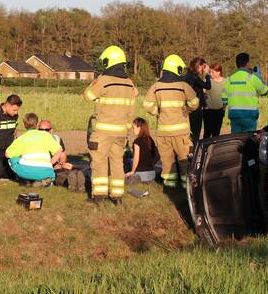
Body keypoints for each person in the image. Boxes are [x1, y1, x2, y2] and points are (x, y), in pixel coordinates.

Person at [84, 45, 138, 205]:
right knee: (117, 163)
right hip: (121, 132)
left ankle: (99, 197)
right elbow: (131, 110)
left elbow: (87, 96)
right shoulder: (129, 83)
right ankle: (117, 196)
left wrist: (95, 81)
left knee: (99, 162)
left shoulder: (104, 80)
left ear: (109, 61)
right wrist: (126, 130)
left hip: (103, 131)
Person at [143, 54, 200, 189]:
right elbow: (195, 102)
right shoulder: (183, 86)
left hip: (163, 132)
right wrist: (186, 110)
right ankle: (186, 185)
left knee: (167, 161)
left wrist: (157, 112)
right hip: (181, 132)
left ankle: (170, 184)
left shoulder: (156, 86)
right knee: (183, 159)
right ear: (177, 69)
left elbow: (146, 104)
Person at [5, 112, 63, 185]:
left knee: (12, 159)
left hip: (25, 171)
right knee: (48, 174)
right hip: (46, 171)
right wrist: (50, 163)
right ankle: (44, 180)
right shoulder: (45, 135)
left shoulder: (21, 138)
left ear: (24, 125)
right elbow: (59, 151)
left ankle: (26, 179)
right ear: (37, 124)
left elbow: (7, 154)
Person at [224, 52, 268, 133]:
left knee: (236, 139)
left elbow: (224, 99)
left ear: (236, 64)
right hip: (249, 115)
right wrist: (260, 77)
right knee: (249, 138)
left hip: (235, 115)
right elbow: (265, 92)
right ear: (247, 63)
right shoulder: (252, 78)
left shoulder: (229, 79)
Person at [184, 57, 211, 141]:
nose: (203, 69)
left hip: (188, 107)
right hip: (196, 108)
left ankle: (191, 146)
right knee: (195, 132)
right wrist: (207, 74)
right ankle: (194, 147)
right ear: (199, 66)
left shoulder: (187, 75)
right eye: (203, 67)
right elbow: (208, 86)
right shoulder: (194, 77)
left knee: (190, 131)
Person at [125, 117, 157, 184]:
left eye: (133, 128)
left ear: (139, 127)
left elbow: (136, 159)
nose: (133, 130)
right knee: (130, 160)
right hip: (152, 174)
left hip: (141, 175)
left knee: (127, 160)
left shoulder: (137, 142)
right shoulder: (151, 140)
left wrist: (132, 172)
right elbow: (156, 156)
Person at [204, 63, 227, 138]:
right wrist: (205, 106)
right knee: (207, 133)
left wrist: (224, 109)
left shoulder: (226, 82)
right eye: (210, 72)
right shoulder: (207, 81)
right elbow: (202, 94)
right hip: (208, 111)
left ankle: (214, 145)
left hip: (220, 111)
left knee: (216, 133)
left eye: (212, 72)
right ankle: (205, 145)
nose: (211, 74)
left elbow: (227, 96)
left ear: (219, 72)